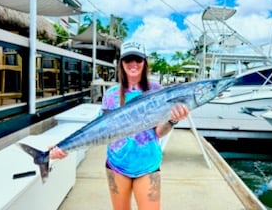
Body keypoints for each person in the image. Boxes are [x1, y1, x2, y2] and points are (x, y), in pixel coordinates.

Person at [50, 41, 189, 210]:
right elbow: (97, 132)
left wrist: (173, 120)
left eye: (137, 59)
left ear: (144, 62)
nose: (133, 64)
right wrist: (64, 147)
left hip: (148, 164)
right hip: (117, 165)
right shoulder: (111, 95)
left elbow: (158, 133)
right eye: (128, 59)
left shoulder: (156, 90)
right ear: (121, 63)